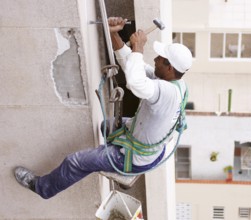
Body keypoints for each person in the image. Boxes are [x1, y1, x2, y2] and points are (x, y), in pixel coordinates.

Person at [14, 17, 193, 199]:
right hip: (144, 138)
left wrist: (139, 48)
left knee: (74, 162)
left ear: (169, 68)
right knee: (105, 126)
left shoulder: (168, 92)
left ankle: (41, 187)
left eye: (160, 59)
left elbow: (134, 82)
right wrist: (114, 33)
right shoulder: (176, 82)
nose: (155, 59)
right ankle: (104, 158)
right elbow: (130, 64)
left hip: (137, 157)